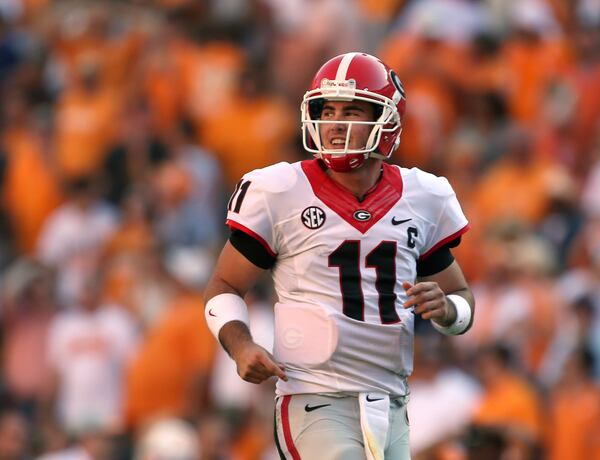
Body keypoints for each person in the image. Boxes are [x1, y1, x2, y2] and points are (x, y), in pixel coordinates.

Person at [204, 52, 475, 460]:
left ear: (387, 122)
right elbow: (224, 285)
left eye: (351, 111)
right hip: (314, 395)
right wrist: (241, 346)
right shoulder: (280, 190)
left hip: (391, 401)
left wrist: (448, 309)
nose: (334, 123)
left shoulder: (424, 196)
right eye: (326, 110)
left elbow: (463, 298)